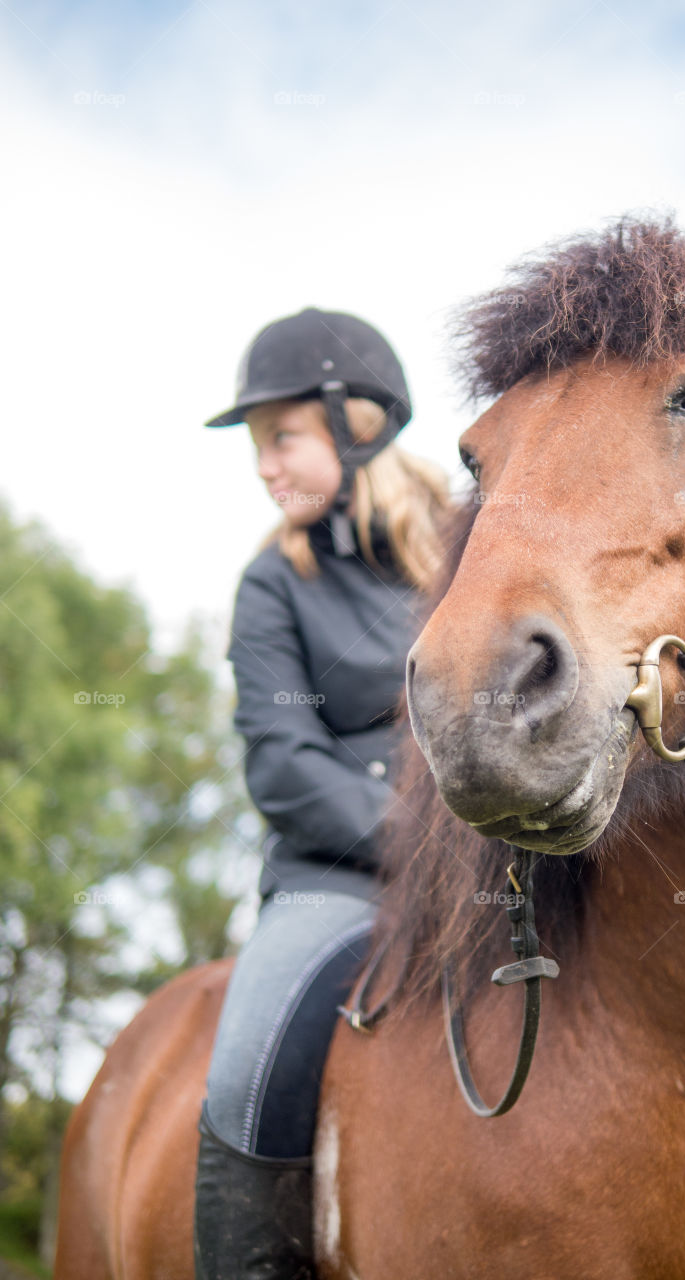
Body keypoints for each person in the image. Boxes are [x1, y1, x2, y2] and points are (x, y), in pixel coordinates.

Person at [194, 307, 448, 1279]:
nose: (265, 467)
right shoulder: (272, 583)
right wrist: (426, 843)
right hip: (331, 881)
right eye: (259, 448)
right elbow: (283, 761)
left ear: (360, 424)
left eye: (281, 439)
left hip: (500, 868)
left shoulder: (473, 549)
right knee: (247, 1061)